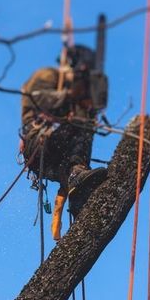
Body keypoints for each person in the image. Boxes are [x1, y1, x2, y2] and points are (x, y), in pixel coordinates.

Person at [20, 44, 108, 237]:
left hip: (62, 163)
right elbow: (36, 98)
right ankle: (76, 173)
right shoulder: (48, 75)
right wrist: (68, 95)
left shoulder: (80, 95)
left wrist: (90, 95)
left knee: (84, 126)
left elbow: (96, 106)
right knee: (78, 126)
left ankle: (78, 186)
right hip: (40, 145)